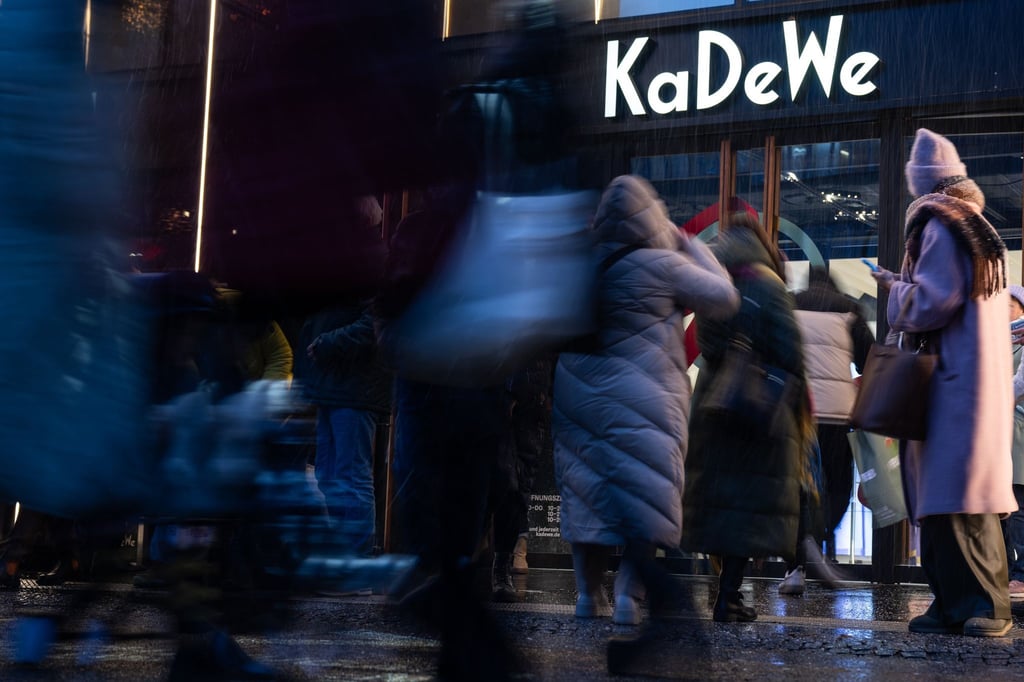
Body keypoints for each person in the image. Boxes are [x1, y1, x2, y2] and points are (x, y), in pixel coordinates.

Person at [552, 175, 739, 633]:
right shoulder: (662, 264)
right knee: (643, 496)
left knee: (585, 491)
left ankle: (584, 594)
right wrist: (690, 243)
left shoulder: (579, 264)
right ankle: (626, 599)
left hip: (579, 397)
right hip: (647, 398)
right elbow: (725, 297)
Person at [870, 128, 1015, 637]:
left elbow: (931, 303)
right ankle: (968, 605)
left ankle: (972, 607)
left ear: (922, 185)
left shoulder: (938, 224)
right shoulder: (977, 227)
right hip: (977, 382)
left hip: (950, 384)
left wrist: (892, 287)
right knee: (971, 497)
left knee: (952, 499)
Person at [682, 211, 813, 623]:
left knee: (720, 502)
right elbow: (790, 352)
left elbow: (707, 342)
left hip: (715, 403)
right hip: (757, 412)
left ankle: (724, 594)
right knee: (745, 507)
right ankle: (729, 596)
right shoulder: (769, 285)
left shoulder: (714, 282)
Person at [297, 196, 393, 556]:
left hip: (353, 384)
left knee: (348, 476)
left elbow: (373, 323)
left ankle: (352, 558)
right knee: (331, 475)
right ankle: (343, 556)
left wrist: (327, 343)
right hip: (336, 384)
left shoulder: (371, 258)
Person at [779, 266, 875, 595]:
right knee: (837, 486)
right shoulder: (850, 311)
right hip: (837, 412)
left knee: (798, 489)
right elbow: (871, 361)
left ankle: (796, 566)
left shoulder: (790, 306)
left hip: (798, 412)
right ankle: (817, 541)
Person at [488, 356, 553, 602]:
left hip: (531, 399)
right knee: (502, 484)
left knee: (517, 490)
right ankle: (495, 568)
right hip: (501, 392)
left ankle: (502, 567)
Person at [1002, 285, 1024, 599]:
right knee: (1004, 508)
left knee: (1018, 505)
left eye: (1010, 304)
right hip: (1001, 432)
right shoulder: (995, 342)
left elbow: (1017, 384)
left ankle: (1019, 575)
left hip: (1018, 430)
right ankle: (1005, 572)